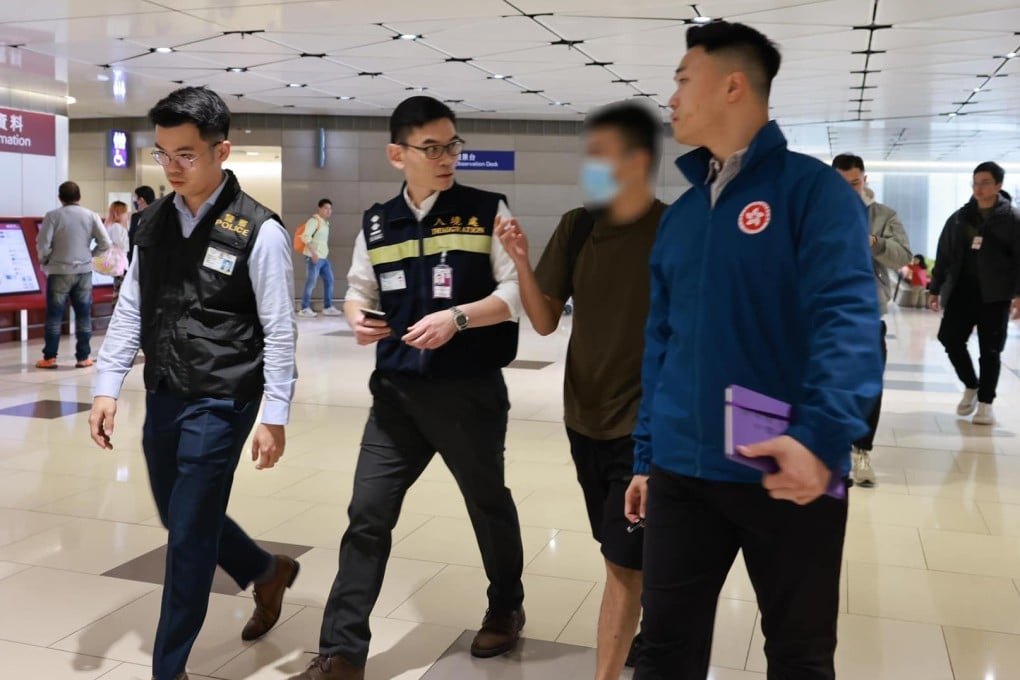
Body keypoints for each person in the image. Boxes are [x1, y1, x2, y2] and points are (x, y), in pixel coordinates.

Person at [624, 21, 882, 680]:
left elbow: (848, 321)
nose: (672, 98)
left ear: (732, 85)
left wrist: (821, 437)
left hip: (791, 470)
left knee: (798, 657)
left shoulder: (813, 194)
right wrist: (648, 457)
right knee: (663, 652)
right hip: (683, 474)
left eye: (684, 80)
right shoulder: (682, 217)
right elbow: (662, 345)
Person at [288, 96, 526, 680]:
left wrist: (460, 318)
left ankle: (505, 606)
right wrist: (353, 315)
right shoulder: (376, 221)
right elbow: (357, 288)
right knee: (367, 515)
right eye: (432, 147)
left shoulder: (485, 209)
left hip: (468, 392)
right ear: (398, 154)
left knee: (487, 502)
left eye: (452, 145)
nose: (446, 157)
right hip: (394, 395)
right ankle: (343, 652)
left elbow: (516, 291)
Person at [88, 86, 300, 680]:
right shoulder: (152, 222)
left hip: (225, 395)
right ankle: (266, 570)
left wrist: (275, 413)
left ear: (220, 151)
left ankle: (169, 668)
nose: (173, 168)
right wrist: (106, 386)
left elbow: (281, 329)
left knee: (186, 538)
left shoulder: (258, 230)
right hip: (165, 388)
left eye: (186, 154)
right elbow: (132, 307)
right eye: (163, 154)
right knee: (179, 516)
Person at [497, 100, 666, 679]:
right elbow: (544, 321)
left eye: (601, 155)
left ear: (637, 162)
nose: (589, 167)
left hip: (642, 427)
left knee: (622, 565)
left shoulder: (672, 230)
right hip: (583, 419)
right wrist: (520, 259)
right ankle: (652, 633)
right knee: (617, 547)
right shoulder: (579, 225)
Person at [832, 153, 911, 488]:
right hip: (825, 314)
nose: (849, 190)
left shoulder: (882, 216)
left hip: (866, 313)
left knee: (869, 387)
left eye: (855, 182)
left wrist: (874, 242)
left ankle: (861, 450)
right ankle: (832, 453)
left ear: (864, 179)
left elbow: (904, 256)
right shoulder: (817, 211)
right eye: (842, 183)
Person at [929, 162, 1020, 426]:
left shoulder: (1011, 220)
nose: (978, 188)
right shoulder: (960, 217)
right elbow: (943, 254)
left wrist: (1018, 295)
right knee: (949, 339)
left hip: (995, 296)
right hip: (961, 293)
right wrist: (935, 288)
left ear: (999, 186)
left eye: (985, 183)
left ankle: (985, 404)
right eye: (975, 183)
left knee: (990, 351)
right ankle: (972, 384)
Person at [35, 181, 111, 369]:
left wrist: (45, 260)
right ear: (79, 196)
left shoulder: (53, 216)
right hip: (84, 272)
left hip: (59, 271)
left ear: (60, 197)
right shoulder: (90, 215)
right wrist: (90, 256)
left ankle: (50, 357)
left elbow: (43, 244)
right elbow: (105, 243)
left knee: (54, 315)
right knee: (83, 315)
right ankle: (83, 357)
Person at [298, 198, 342, 317]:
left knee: (330, 281)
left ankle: (328, 307)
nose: (329, 211)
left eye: (330, 208)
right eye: (326, 208)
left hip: (324, 258)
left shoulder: (325, 223)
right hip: (314, 258)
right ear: (320, 209)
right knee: (311, 283)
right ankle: (304, 308)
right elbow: (305, 237)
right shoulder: (314, 221)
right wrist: (313, 254)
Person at [103, 200, 132, 291]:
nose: (127, 215)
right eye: (125, 213)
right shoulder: (117, 227)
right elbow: (121, 245)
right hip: (120, 263)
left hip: (118, 263)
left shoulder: (112, 226)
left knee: (119, 288)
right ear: (118, 214)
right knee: (120, 290)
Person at [129, 185, 157, 261]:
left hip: (138, 256)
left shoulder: (136, 217)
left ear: (141, 199)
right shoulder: (158, 214)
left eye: (135, 198)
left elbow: (132, 238)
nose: (134, 201)